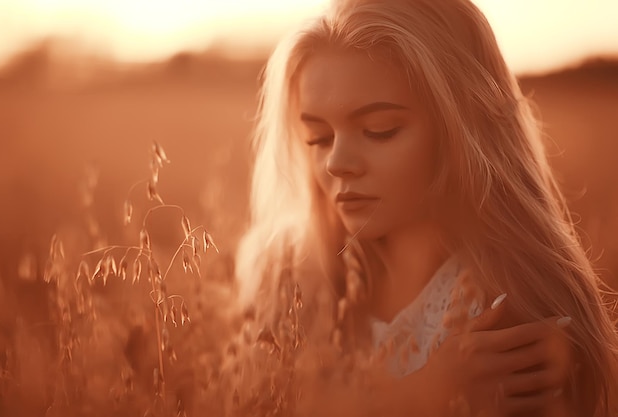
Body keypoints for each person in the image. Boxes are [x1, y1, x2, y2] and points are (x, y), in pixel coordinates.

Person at [233, 0, 618, 415]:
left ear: (459, 132)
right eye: (318, 138)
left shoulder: (503, 308)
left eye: (380, 130)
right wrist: (414, 396)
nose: (336, 162)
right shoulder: (290, 275)